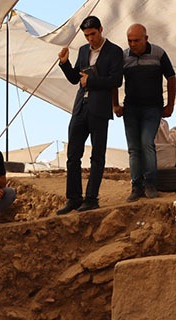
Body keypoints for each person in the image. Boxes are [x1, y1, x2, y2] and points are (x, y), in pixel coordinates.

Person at [56, 15, 124, 215]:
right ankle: (74, 198)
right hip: (80, 107)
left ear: (101, 30)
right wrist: (65, 64)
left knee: (97, 155)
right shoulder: (84, 50)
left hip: (100, 108)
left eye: (93, 34)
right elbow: (75, 78)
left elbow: (116, 80)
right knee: (72, 155)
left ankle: (91, 198)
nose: (90, 39)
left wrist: (91, 82)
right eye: (86, 36)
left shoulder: (114, 51)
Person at [113, 24, 176, 202]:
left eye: (136, 40)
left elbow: (171, 78)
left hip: (152, 108)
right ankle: (136, 186)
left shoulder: (158, 53)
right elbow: (114, 81)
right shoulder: (124, 56)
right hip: (131, 108)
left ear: (146, 38)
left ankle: (150, 183)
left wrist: (170, 105)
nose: (133, 44)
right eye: (130, 40)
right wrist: (115, 104)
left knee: (147, 142)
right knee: (133, 149)